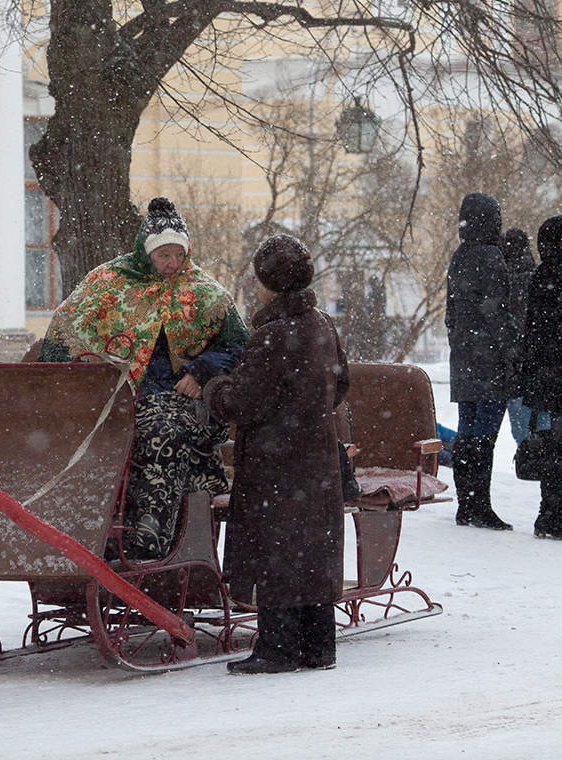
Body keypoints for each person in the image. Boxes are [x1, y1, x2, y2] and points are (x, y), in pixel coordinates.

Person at [40, 197, 248, 558]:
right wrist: (85, 378)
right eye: (163, 255)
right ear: (145, 251)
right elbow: (63, 335)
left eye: (179, 254)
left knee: (160, 432)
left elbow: (240, 347)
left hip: (184, 402)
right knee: (103, 436)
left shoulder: (204, 293)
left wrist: (202, 370)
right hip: (114, 400)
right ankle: (90, 536)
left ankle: (148, 542)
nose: (172, 263)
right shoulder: (108, 283)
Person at [203, 234, 348, 674]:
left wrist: (214, 386)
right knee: (311, 550)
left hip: (276, 464)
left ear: (269, 284)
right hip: (317, 459)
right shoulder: (322, 324)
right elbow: (341, 384)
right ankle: (318, 646)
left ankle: (278, 648)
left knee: (278, 550)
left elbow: (242, 404)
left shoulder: (271, 337)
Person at [445, 193, 518, 530]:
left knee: (467, 432)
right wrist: (513, 352)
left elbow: (451, 315)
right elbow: (497, 313)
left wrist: (461, 344)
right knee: (484, 435)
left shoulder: (459, 256)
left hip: (463, 359)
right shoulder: (491, 256)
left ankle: (466, 504)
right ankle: (481, 506)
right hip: (489, 362)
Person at [521, 216, 562, 539]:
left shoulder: (540, 276)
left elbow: (532, 330)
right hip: (554, 372)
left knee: (552, 447)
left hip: (545, 376)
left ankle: (548, 513)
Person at [501, 228, 545, 443]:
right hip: (539, 363)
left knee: (521, 428)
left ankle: (527, 452)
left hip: (512, 366)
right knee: (543, 424)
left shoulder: (501, 281)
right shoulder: (538, 277)